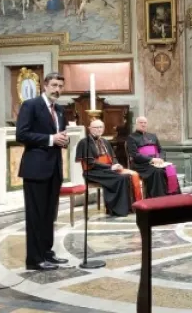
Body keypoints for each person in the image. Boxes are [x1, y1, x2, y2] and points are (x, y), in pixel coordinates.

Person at [15, 72, 69, 271]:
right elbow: (21, 134)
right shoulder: (31, 105)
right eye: (54, 85)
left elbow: (59, 135)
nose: (57, 90)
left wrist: (63, 140)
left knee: (49, 214)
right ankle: (34, 259)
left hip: (54, 168)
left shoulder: (60, 109)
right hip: (36, 169)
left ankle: (47, 253)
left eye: (60, 86)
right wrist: (50, 139)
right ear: (45, 86)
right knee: (36, 215)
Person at [76, 120, 143, 216]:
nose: (99, 129)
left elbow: (113, 157)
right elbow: (91, 162)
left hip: (107, 169)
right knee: (120, 178)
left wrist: (116, 165)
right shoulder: (84, 142)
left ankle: (129, 208)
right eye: (96, 127)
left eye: (101, 127)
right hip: (92, 171)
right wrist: (110, 167)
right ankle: (115, 210)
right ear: (90, 129)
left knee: (127, 176)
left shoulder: (105, 141)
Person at [126, 117, 176, 198]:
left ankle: (172, 196)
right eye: (141, 122)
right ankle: (158, 198)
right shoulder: (131, 137)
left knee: (170, 168)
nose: (143, 124)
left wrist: (161, 158)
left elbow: (161, 150)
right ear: (136, 124)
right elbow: (135, 155)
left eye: (145, 123)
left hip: (157, 163)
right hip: (142, 165)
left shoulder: (153, 136)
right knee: (158, 171)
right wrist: (152, 159)